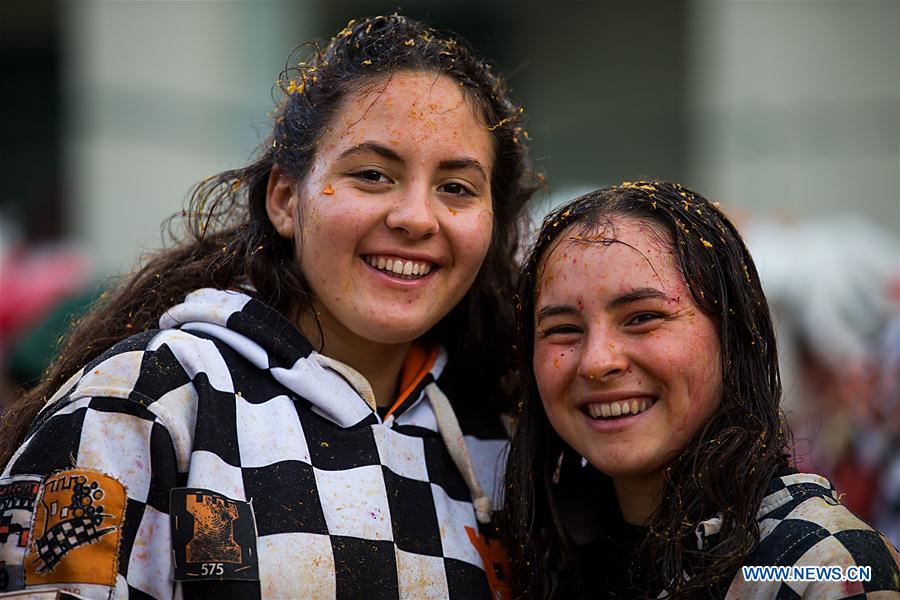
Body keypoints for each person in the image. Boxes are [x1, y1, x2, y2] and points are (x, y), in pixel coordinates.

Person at [0, 15, 535, 599]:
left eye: (456, 187)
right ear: (284, 199)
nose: (415, 217)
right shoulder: (144, 404)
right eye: (373, 175)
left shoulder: (507, 445)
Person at [503, 181, 900, 598]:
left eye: (643, 318)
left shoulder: (819, 565)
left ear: (733, 337)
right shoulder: (540, 555)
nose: (598, 361)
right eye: (563, 329)